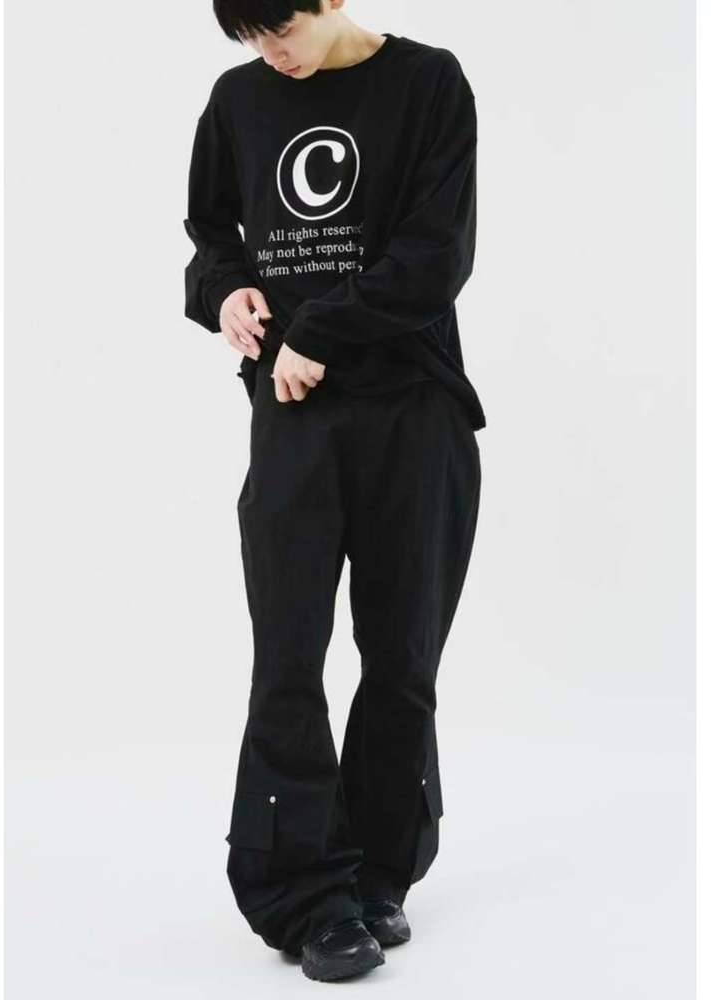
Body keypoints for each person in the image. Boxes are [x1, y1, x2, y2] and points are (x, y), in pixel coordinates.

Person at [183, 0, 486, 982]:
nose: (270, 52)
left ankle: (378, 872)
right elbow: (211, 233)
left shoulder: (429, 83)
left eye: (281, 28)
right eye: (251, 37)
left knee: (402, 654)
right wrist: (226, 291)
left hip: (415, 407)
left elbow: (436, 257)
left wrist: (318, 329)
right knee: (289, 652)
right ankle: (305, 894)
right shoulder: (237, 101)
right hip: (296, 413)